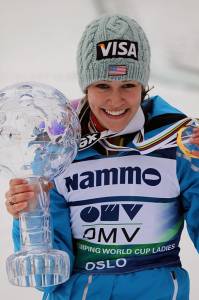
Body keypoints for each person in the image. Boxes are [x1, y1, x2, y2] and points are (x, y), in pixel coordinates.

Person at [5, 14, 199, 300]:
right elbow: (45, 276)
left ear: (144, 86)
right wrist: (29, 214)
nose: (116, 101)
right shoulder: (55, 147)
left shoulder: (179, 144)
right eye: (103, 86)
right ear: (86, 87)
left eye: (128, 86)